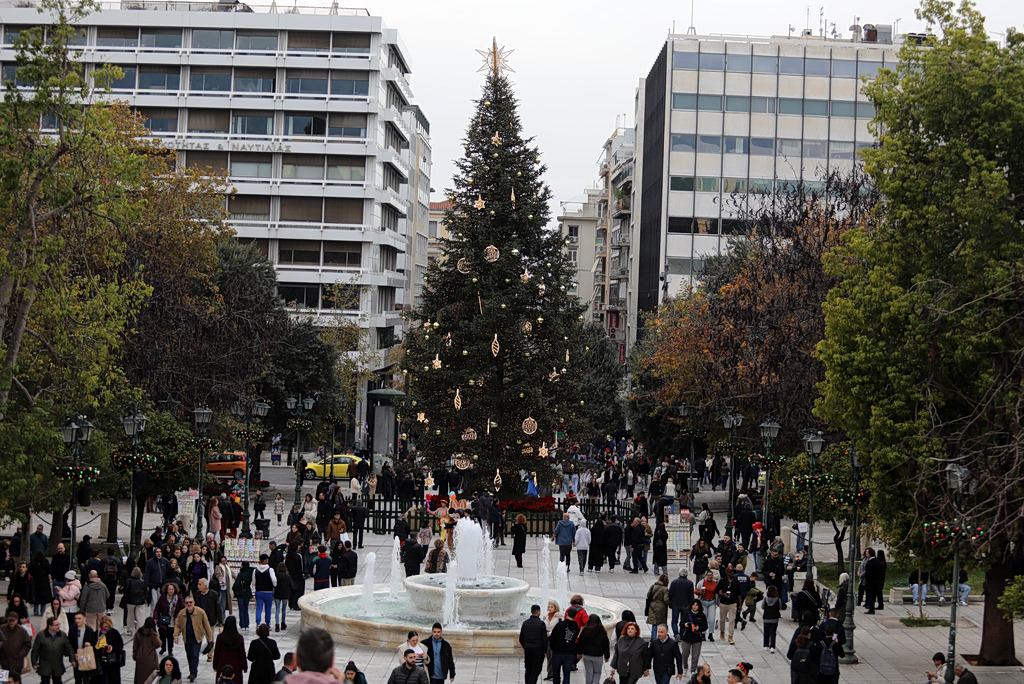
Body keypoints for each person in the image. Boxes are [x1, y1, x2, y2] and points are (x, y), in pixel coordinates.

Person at [173, 594, 214, 682]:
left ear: (194, 603)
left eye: (190, 602)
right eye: (187, 603)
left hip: (197, 637)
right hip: (187, 638)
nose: (189, 604)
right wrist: (176, 636)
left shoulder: (200, 612)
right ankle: (191, 671)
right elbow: (178, 625)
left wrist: (209, 637)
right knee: (189, 655)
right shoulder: (182, 613)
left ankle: (193, 673)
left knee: (195, 655)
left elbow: (206, 625)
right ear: (185, 604)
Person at [32, 616, 75, 684]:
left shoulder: (62, 635)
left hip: (57, 665)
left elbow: (69, 648)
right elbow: (35, 650)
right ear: (50, 626)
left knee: (58, 681)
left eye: (59, 624)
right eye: (56, 625)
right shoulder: (41, 635)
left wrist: (72, 659)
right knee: (45, 681)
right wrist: (34, 663)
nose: (59, 626)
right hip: (45, 665)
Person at [548, 609, 580, 684]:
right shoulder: (576, 627)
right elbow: (574, 639)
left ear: (567, 614)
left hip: (557, 653)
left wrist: (553, 649)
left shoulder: (560, 624)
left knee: (556, 675)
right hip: (569, 653)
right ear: (575, 616)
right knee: (567, 675)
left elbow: (552, 638)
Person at [575, 614, 609, 684]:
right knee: (597, 672)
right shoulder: (602, 631)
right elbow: (606, 644)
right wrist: (607, 656)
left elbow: (580, 643)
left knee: (588, 673)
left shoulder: (585, 630)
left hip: (587, 655)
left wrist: (579, 653)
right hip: (598, 656)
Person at [519, 605, 548, 684]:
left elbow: (521, 638)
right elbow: (544, 639)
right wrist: (545, 650)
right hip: (538, 649)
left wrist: (525, 646)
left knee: (528, 669)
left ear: (531, 612)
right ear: (538, 612)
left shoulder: (525, 623)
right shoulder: (541, 624)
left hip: (528, 649)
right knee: (536, 669)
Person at [67, 611, 97, 684]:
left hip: (86, 658)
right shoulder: (72, 629)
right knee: (77, 678)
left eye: (79, 618)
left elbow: (94, 644)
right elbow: (69, 644)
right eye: (76, 618)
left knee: (86, 678)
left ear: (84, 619)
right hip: (76, 657)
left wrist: (89, 645)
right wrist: (72, 657)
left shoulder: (89, 630)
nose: (77, 620)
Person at [154, 583, 184, 657]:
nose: (171, 591)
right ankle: (163, 647)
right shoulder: (163, 597)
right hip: (164, 619)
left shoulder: (178, 598)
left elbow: (182, 609)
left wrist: (177, 617)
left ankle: (170, 650)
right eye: (169, 589)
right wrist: (155, 617)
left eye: (172, 589)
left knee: (171, 636)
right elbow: (157, 608)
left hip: (173, 620)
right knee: (162, 635)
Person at [678, 601, 706, 676]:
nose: (695, 606)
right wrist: (685, 624)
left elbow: (705, 626)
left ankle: (693, 670)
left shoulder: (702, 615)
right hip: (687, 637)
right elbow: (681, 623)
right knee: (685, 654)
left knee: (695, 656)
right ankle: (685, 667)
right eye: (693, 605)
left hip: (697, 638)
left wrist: (699, 628)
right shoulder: (687, 614)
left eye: (696, 605)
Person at [96, 614, 126, 684]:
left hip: (113, 662)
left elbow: (120, 645)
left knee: (113, 679)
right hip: (102, 662)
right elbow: (95, 647)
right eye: (103, 626)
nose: (105, 628)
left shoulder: (115, 633)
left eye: (107, 626)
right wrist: (100, 647)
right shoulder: (98, 634)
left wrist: (112, 647)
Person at [133, 618, 162, 684]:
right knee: (150, 675)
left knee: (140, 675)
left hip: (140, 656)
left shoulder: (139, 632)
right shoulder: (153, 634)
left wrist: (135, 656)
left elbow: (135, 646)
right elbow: (158, 644)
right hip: (150, 657)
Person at [252, 555, 276, 628]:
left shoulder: (255, 570)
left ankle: (258, 624)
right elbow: (274, 580)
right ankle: (268, 624)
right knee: (268, 609)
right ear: (266, 561)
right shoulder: (270, 570)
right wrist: (274, 585)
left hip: (259, 591)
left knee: (259, 608)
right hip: (268, 591)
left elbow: (253, 582)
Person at [693, 572, 717, 642]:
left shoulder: (715, 583)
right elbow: (696, 590)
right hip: (703, 602)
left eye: (711, 575)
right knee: (704, 618)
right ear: (706, 576)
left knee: (711, 619)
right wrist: (700, 592)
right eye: (708, 575)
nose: (710, 577)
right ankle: (703, 633)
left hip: (712, 602)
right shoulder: (702, 582)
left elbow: (718, 591)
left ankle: (710, 633)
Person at [124, 568, 149, 637]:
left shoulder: (129, 581)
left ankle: (130, 629)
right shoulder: (142, 582)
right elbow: (145, 591)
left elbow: (126, 590)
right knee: (140, 616)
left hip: (130, 600)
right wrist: (145, 598)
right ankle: (140, 630)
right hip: (140, 600)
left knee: (130, 615)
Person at [30, 548, 55, 616]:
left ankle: (35, 611)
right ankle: (43, 612)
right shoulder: (45, 562)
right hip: (44, 581)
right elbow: (50, 570)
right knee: (44, 598)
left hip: (35, 581)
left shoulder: (32, 562)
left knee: (36, 597)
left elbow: (30, 571)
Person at [645, 574, 669, 640]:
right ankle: (662, 636)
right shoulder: (665, 589)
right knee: (661, 623)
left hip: (652, 605)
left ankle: (653, 637)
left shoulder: (653, 586)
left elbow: (648, 595)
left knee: (654, 623)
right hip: (661, 607)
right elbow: (666, 599)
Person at [863, 549, 887, 614]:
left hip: (871, 583)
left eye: (867, 553)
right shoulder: (879, 562)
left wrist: (867, 582)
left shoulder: (870, 563)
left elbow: (868, 575)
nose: (866, 554)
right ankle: (872, 607)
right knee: (875, 595)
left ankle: (871, 609)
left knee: (871, 596)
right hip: (878, 582)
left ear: (870, 554)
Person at [232, 561, 253, 632]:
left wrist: (234, 588)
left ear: (242, 566)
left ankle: (242, 625)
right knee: (246, 609)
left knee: (241, 609)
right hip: (247, 592)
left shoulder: (241, 574)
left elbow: (237, 583)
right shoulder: (251, 573)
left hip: (241, 593)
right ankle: (247, 625)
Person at [761, 585, 781, 653]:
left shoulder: (765, 598)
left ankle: (765, 645)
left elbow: (762, 607)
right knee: (773, 632)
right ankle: (772, 646)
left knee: (766, 632)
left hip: (766, 617)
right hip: (775, 618)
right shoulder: (778, 599)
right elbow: (780, 607)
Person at [272, 564, 290, 632]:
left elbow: (274, 584)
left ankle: (277, 625)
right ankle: (283, 623)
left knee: (277, 610)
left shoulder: (276, 575)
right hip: (285, 594)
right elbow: (290, 585)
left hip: (277, 594)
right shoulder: (287, 576)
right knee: (284, 610)